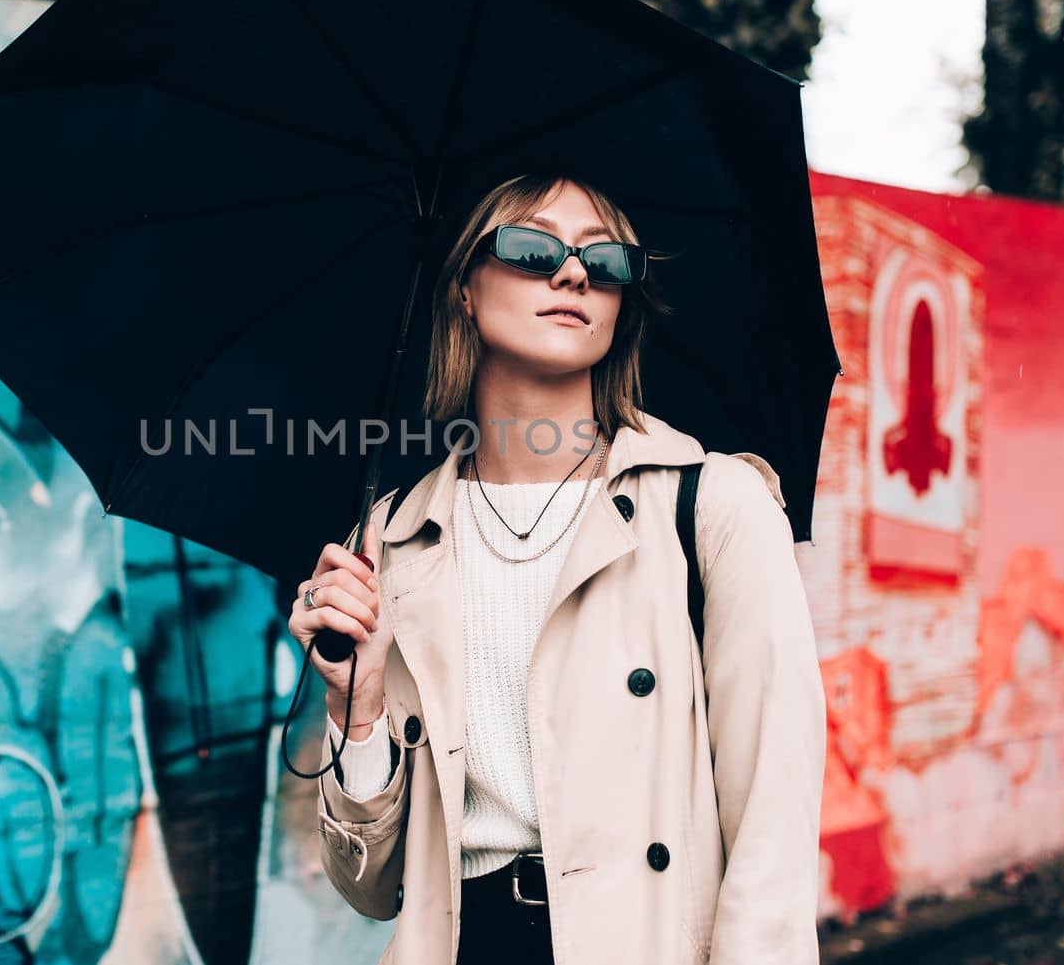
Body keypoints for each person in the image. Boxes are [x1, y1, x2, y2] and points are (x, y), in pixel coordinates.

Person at [287, 173, 826, 965]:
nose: (573, 273)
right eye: (532, 248)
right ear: (464, 288)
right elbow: (372, 887)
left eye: (604, 260)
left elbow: (773, 824)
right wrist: (355, 707)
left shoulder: (713, 506)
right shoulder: (396, 539)